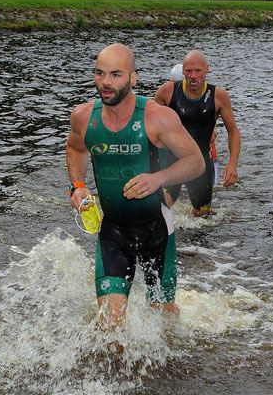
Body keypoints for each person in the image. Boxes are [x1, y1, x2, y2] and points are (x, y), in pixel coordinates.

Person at [65, 43, 204, 333]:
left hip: (156, 228)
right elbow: (76, 149)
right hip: (113, 231)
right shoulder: (82, 117)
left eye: (116, 74)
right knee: (110, 330)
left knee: (164, 325)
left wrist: (159, 178)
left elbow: (196, 162)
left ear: (133, 78)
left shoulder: (157, 117)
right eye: (100, 73)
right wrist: (77, 186)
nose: (106, 82)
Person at [154, 50, 241, 216]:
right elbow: (149, 124)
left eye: (198, 71)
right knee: (162, 206)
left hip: (201, 163)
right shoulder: (167, 92)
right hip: (170, 159)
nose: (193, 76)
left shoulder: (219, 96)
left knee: (202, 216)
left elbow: (233, 131)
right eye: (189, 71)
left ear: (206, 70)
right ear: (183, 72)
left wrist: (232, 164)